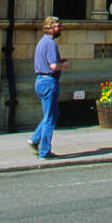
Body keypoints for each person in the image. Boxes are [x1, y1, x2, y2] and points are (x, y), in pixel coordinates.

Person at [29, 15, 68, 160]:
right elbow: (53, 66)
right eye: (58, 26)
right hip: (49, 82)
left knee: (53, 113)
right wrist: (63, 65)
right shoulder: (51, 44)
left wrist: (58, 61)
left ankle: (35, 139)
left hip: (40, 80)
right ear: (50, 28)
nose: (61, 28)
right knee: (50, 118)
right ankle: (44, 152)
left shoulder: (41, 42)